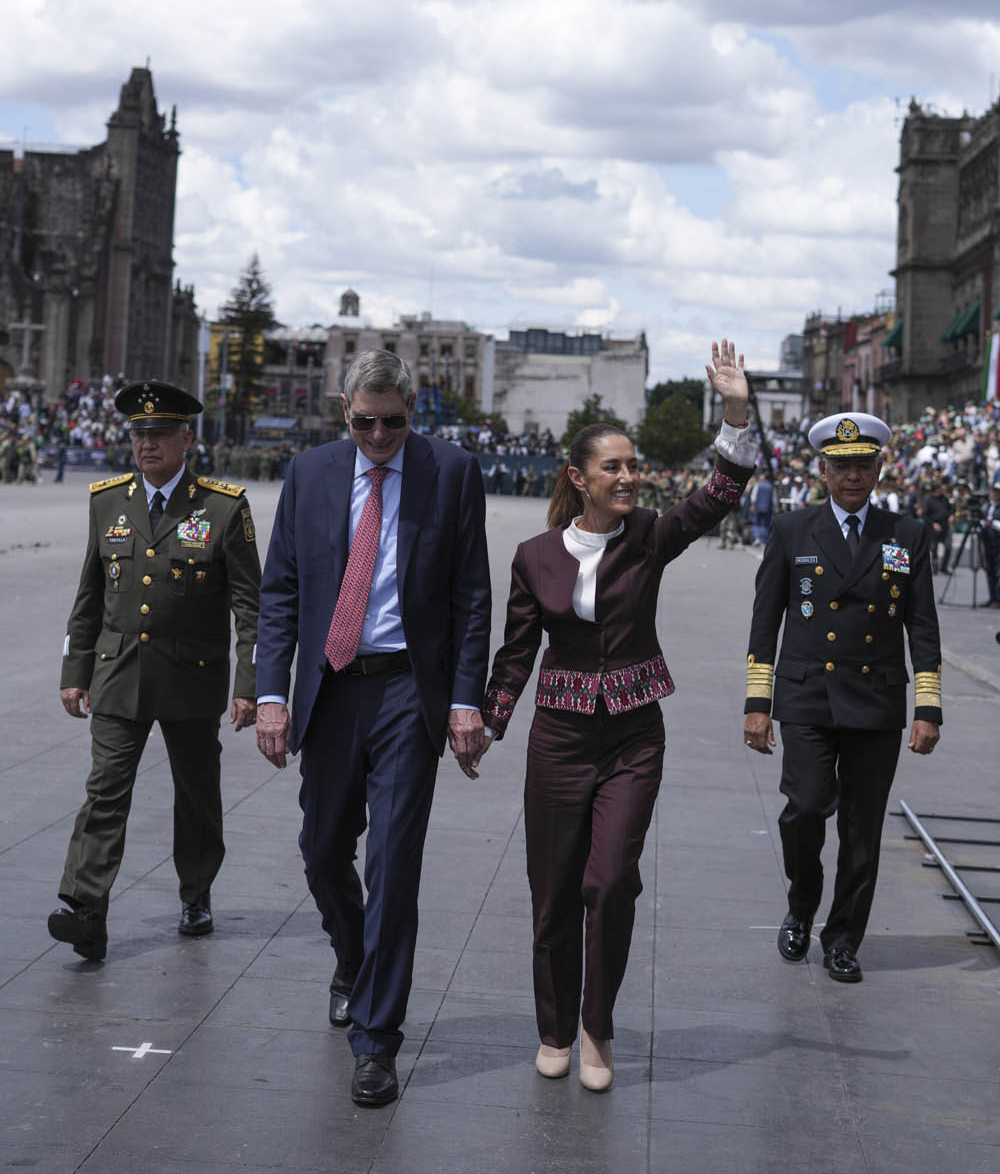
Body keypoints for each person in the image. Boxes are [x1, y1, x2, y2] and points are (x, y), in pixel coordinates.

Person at [480, 341, 755, 1091]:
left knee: (611, 882)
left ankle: (598, 1027)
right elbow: (516, 651)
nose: (630, 475)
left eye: (634, 465)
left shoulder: (651, 539)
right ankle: (553, 1028)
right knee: (554, 892)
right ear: (580, 478)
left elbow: (721, 492)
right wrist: (488, 720)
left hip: (635, 737)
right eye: (615, 467)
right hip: (560, 742)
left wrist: (735, 407)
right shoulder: (536, 555)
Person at [254, 349, 491, 1108]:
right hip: (329, 690)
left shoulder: (450, 474)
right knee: (323, 851)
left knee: (392, 865)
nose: (380, 435)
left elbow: (473, 598)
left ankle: (377, 1038)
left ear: (413, 413)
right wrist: (269, 692)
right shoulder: (311, 474)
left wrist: (464, 699)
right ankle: (350, 957)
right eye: (365, 422)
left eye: (393, 422)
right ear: (343, 411)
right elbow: (281, 589)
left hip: (404, 695)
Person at [48, 381, 261, 962]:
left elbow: (251, 606)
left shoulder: (222, 506)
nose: (147, 444)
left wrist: (250, 685)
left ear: (185, 437)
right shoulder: (107, 501)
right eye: (139, 433)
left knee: (196, 794)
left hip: (192, 675)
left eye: (159, 433)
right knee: (104, 791)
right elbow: (89, 594)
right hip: (118, 674)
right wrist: (76, 667)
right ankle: (86, 908)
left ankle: (196, 893)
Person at [743, 411, 942, 984]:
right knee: (804, 809)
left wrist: (928, 706)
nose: (853, 476)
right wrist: (758, 701)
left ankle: (844, 937)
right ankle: (802, 905)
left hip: (876, 698)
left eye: (863, 465)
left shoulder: (906, 534)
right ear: (822, 469)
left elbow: (922, 626)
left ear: (880, 467)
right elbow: (765, 621)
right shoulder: (791, 529)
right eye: (841, 466)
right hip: (806, 694)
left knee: (862, 827)